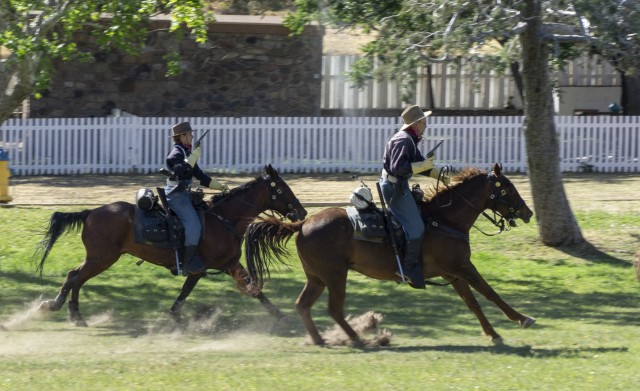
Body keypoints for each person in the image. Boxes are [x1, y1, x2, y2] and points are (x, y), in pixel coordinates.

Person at [379, 105, 448, 289]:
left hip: (398, 185)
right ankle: (406, 269)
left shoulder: (409, 138)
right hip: (394, 188)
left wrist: (441, 175)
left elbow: (420, 165)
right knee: (416, 228)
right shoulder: (404, 140)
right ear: (416, 124)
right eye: (424, 122)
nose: (426, 125)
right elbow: (398, 168)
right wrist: (423, 165)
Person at [165, 121, 229, 276]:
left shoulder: (186, 153)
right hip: (176, 196)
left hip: (183, 194)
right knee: (194, 225)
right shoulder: (177, 152)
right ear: (182, 136)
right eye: (189, 134)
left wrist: (219, 186)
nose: (192, 136)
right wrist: (194, 156)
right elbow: (179, 170)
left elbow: (200, 176)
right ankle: (187, 264)